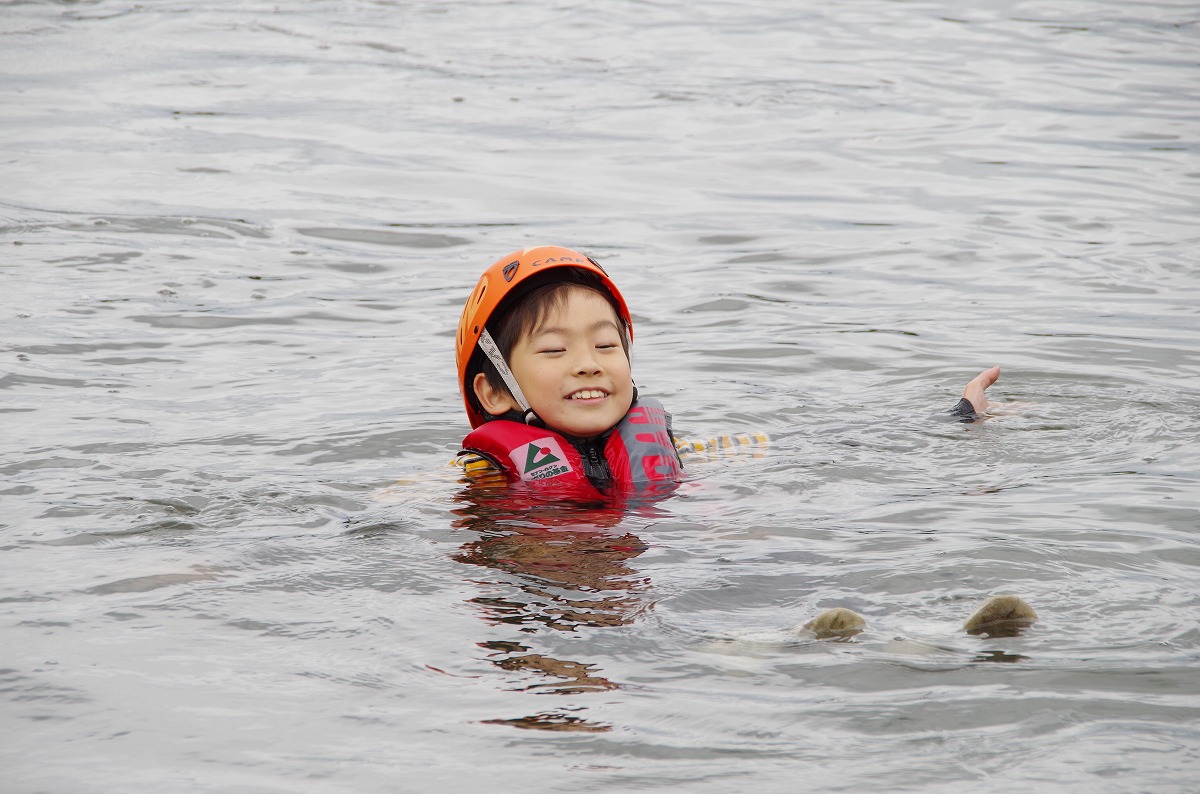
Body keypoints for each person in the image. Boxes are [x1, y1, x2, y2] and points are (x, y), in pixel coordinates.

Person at [454, 244, 999, 496]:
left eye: (605, 345)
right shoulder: (486, 474)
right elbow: (408, 504)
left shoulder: (678, 451)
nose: (587, 365)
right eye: (555, 351)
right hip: (546, 598)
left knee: (748, 538)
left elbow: (814, 441)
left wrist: (959, 415)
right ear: (494, 392)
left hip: (655, 578)